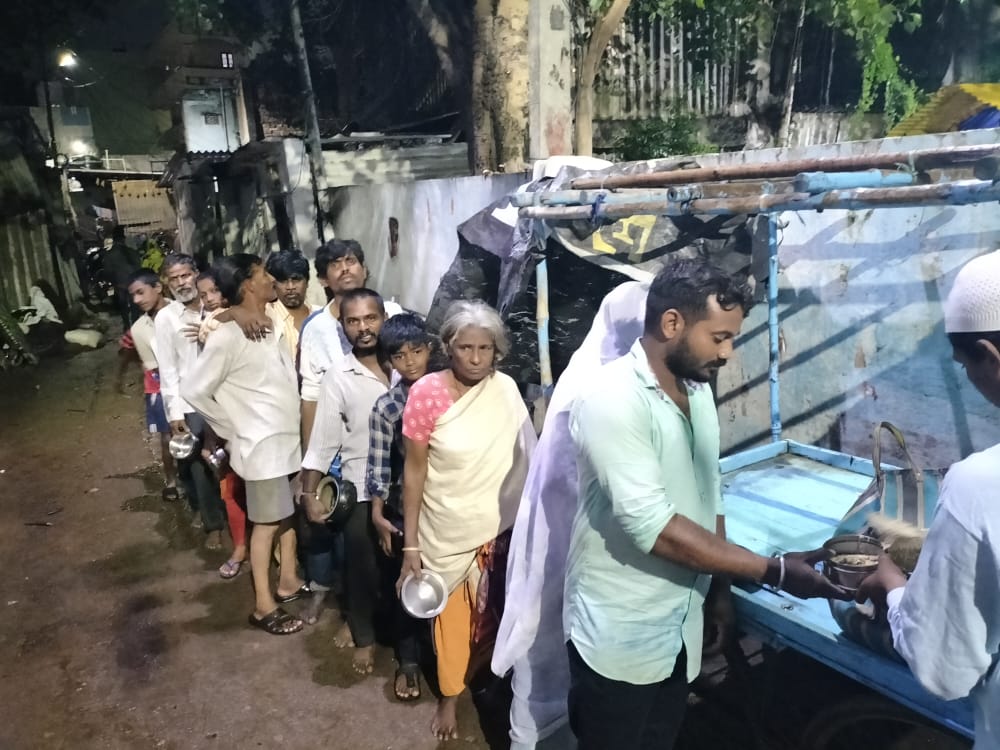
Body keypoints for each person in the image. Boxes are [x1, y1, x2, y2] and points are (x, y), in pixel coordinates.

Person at [563, 259, 848, 750]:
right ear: (672, 323)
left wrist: (718, 592)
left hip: (679, 626)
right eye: (719, 337)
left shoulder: (695, 391)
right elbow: (654, 527)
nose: (729, 353)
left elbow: (707, 491)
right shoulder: (610, 399)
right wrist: (773, 570)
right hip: (621, 635)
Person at [492, 281, 649, 750]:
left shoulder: (642, 384)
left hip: (602, 547)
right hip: (564, 541)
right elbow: (566, 479)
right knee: (546, 648)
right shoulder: (589, 388)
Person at [857, 250, 1000, 750]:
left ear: (992, 355)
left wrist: (890, 584)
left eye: (966, 367)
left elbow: (945, 668)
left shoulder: (980, 483)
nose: (972, 380)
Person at [398, 300, 537, 741]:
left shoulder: (507, 391)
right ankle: (450, 695)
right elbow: (414, 472)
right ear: (447, 347)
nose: (475, 359)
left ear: (497, 351)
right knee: (452, 625)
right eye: (465, 348)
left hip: (502, 528)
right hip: (448, 532)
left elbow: (528, 462)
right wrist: (411, 545)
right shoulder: (426, 395)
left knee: (498, 615)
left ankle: (486, 680)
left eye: (485, 348)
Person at [182, 254, 307, 635]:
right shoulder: (229, 334)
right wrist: (232, 429)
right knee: (265, 525)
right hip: (261, 447)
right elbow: (194, 390)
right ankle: (262, 606)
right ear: (248, 284)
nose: (272, 279)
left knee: (285, 517)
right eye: (263, 274)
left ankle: (287, 580)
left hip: (284, 442)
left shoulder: (265, 324)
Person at [299, 289, 391, 671]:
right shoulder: (340, 375)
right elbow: (324, 441)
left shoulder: (408, 364)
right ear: (343, 327)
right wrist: (309, 491)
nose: (363, 328)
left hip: (411, 488)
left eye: (370, 318)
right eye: (353, 321)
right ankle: (364, 635)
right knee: (361, 564)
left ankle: (410, 644)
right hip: (362, 485)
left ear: (384, 317)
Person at [366, 313, 439, 702]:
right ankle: (408, 663)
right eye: (399, 355)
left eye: (417, 351)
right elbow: (378, 464)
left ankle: (450, 667)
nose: (409, 361)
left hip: (445, 509)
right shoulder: (387, 408)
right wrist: (378, 512)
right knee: (407, 588)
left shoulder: (449, 395)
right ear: (389, 361)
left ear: (430, 349)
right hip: (401, 509)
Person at [154, 254, 226, 550]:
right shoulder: (166, 318)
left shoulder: (219, 308)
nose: (182, 283)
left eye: (185, 275)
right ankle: (214, 524)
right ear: (167, 284)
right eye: (174, 278)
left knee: (230, 458)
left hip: (226, 396)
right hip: (191, 401)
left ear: (196, 274)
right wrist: (173, 413)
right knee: (198, 460)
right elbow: (167, 368)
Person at [298, 240, 403, 444]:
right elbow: (311, 397)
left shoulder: (393, 313)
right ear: (322, 279)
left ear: (364, 270)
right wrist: (311, 466)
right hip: (349, 446)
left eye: (350, 261)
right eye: (335, 264)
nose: (345, 269)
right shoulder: (315, 329)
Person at [115, 269, 179, 503]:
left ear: (158, 288)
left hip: (186, 378)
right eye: (133, 295)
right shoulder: (139, 328)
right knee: (166, 436)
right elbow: (131, 354)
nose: (136, 300)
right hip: (159, 383)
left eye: (141, 293)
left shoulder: (180, 311)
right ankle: (171, 480)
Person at [266, 250, 321, 359]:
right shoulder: (266, 317)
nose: (290, 287)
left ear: (307, 281)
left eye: (296, 280)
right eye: (283, 281)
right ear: (273, 284)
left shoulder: (321, 316)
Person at [103, 225, 141, 331]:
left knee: (123, 306)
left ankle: (126, 325)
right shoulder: (132, 252)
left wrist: (112, 282)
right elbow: (139, 266)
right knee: (134, 305)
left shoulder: (109, 254)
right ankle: (135, 325)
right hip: (133, 283)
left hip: (120, 284)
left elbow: (108, 271)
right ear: (123, 239)